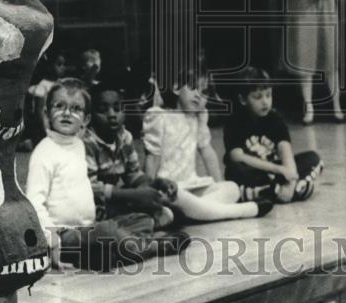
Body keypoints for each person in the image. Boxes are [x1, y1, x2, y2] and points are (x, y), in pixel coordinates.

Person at [26, 77, 188, 272]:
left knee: (139, 220)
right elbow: (33, 203)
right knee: (108, 232)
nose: (67, 113)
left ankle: (107, 254)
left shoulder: (77, 145)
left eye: (76, 108)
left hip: (89, 227)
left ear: (85, 120)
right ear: (46, 114)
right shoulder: (44, 152)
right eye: (59, 106)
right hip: (61, 234)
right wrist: (51, 240)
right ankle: (151, 247)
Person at [142, 68, 274, 221]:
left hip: (192, 186)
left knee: (232, 189)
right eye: (193, 88)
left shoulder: (199, 116)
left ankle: (189, 212)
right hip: (169, 189)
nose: (199, 96)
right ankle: (242, 210)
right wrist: (148, 194)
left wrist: (219, 184)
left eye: (204, 92)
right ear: (177, 88)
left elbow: (207, 152)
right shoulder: (159, 116)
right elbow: (152, 158)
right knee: (177, 198)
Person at [223, 66, 323, 203]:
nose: (265, 102)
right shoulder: (234, 122)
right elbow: (237, 156)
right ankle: (287, 190)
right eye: (257, 97)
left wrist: (290, 181)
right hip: (256, 173)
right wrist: (278, 169)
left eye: (268, 95)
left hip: (275, 174)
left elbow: (285, 150)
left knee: (313, 158)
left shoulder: (275, 119)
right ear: (243, 99)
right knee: (233, 170)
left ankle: (271, 192)